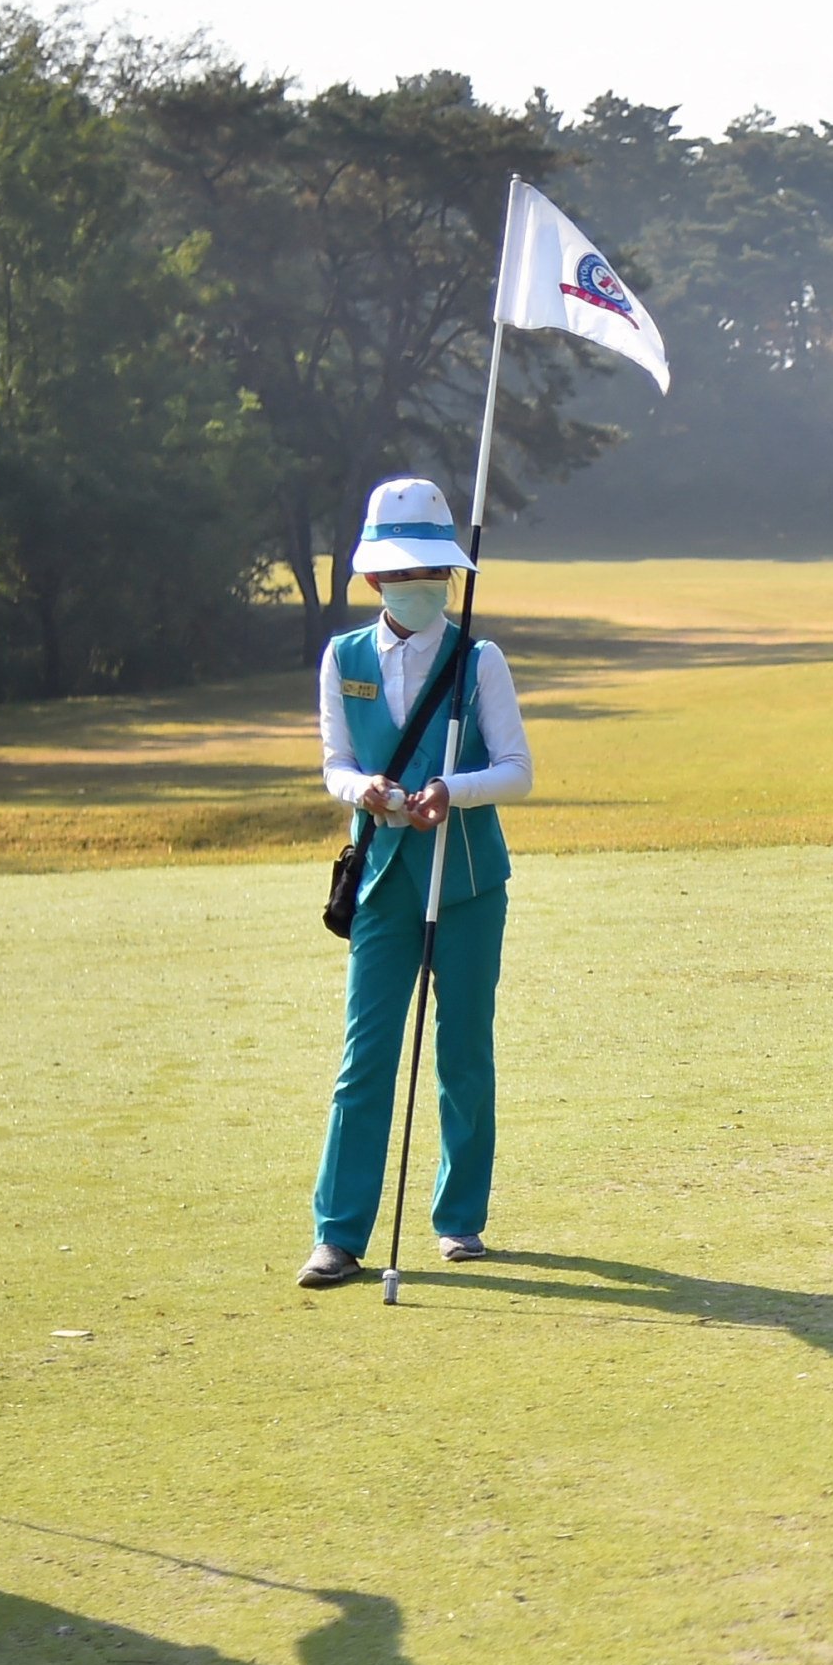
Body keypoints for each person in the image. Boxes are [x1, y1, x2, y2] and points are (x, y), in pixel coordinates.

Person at [302, 479, 531, 1289]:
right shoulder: (345, 658)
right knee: (366, 1055)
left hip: (468, 877)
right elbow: (334, 764)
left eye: (436, 571)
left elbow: (516, 771)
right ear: (375, 581)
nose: (424, 586)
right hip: (383, 883)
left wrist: (452, 789)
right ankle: (338, 1233)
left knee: (464, 1049)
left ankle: (459, 1219)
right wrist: (365, 790)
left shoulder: (480, 660)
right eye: (407, 574)